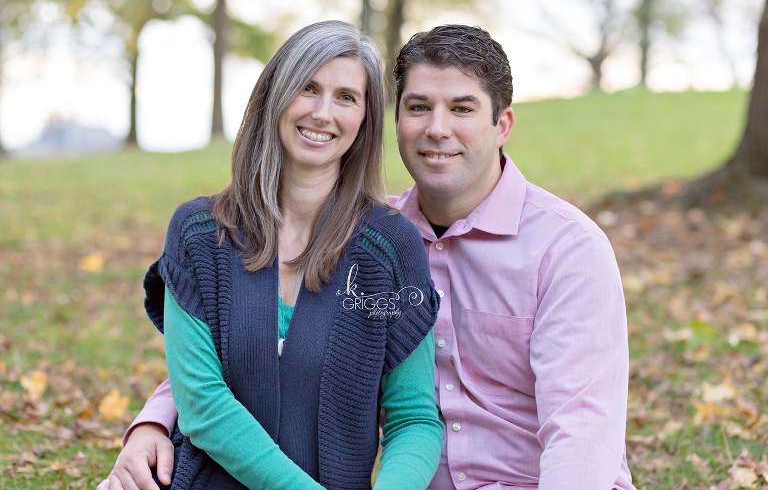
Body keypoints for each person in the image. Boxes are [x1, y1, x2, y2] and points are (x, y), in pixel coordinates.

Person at [99, 24, 636, 490]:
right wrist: (152, 422)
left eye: (462, 109)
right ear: (395, 120)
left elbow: (581, 432)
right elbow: (234, 357)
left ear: (502, 126)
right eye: (419, 107)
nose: (437, 128)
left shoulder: (565, 249)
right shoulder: (380, 236)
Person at [98, 20, 445, 490]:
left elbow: (414, 418)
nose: (323, 113)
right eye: (308, 88)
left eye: (346, 97)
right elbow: (201, 404)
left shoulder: (388, 249)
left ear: (365, 119)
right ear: (275, 96)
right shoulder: (200, 234)